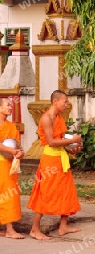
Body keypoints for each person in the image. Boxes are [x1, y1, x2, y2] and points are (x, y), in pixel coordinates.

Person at [27, 90, 83, 240]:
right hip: (50, 161)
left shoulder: (59, 118)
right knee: (46, 193)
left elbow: (61, 141)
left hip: (61, 159)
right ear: (55, 101)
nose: (66, 104)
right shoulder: (46, 118)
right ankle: (34, 229)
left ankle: (63, 226)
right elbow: (51, 142)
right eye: (64, 101)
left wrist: (73, 148)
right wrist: (72, 140)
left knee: (67, 191)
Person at [0, 98, 25, 239]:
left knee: (9, 195)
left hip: (9, 165)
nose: (10, 107)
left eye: (11, 105)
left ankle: (8, 228)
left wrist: (20, 152)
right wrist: (11, 151)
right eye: (7, 105)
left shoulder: (12, 126)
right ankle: (9, 230)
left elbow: (18, 145)